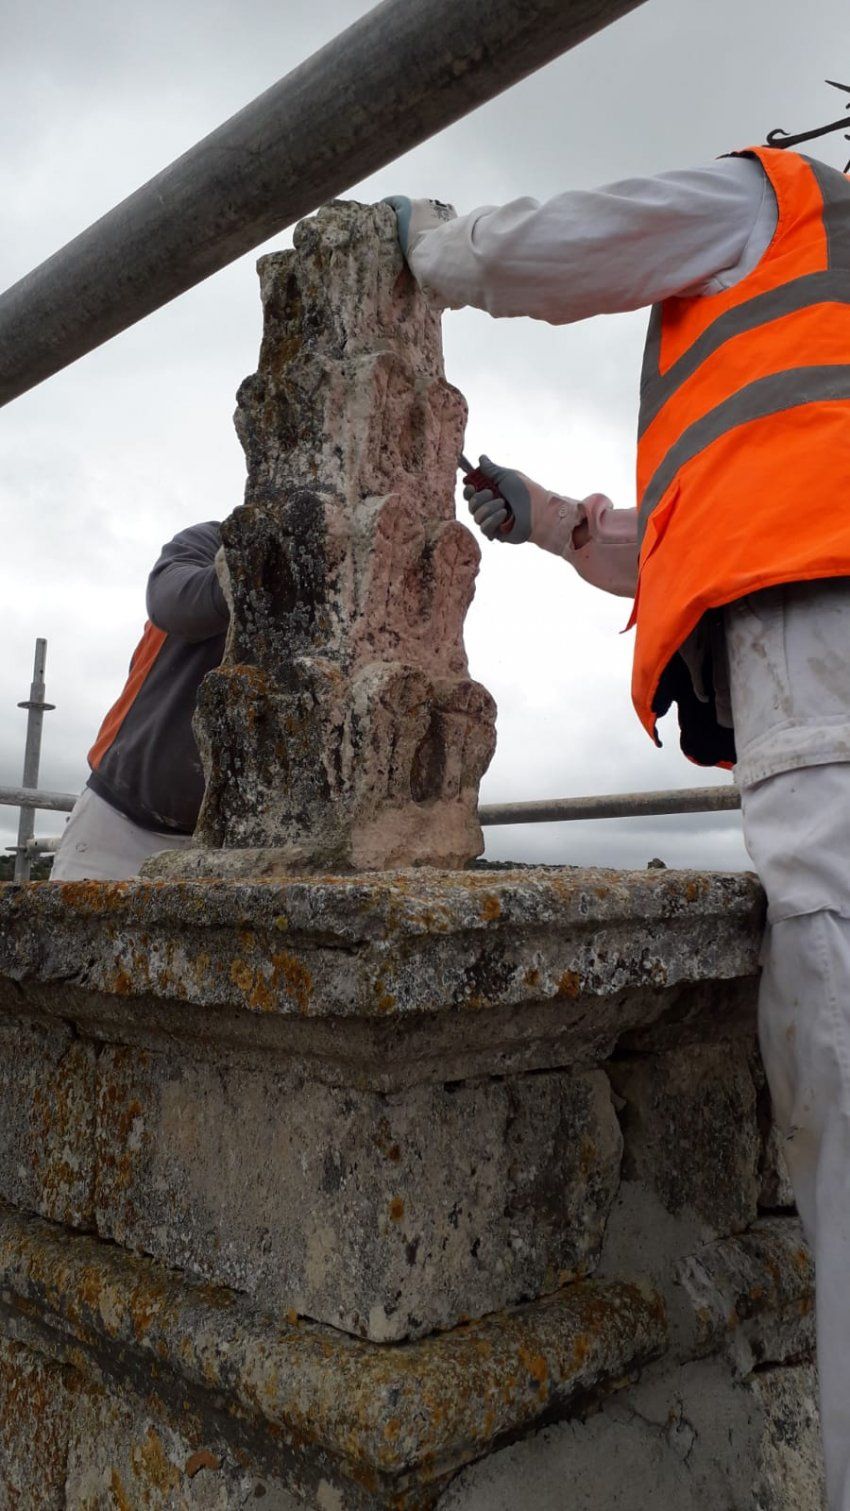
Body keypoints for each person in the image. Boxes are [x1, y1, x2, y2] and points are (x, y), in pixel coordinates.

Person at [387, 144, 850, 1510]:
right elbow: (722, 519)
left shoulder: (781, 198)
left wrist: (430, 241)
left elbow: (576, 237)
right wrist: (544, 520)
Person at [51, 522, 228, 881]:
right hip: (117, 821)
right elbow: (173, 602)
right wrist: (262, 571)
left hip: (222, 845)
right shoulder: (212, 541)